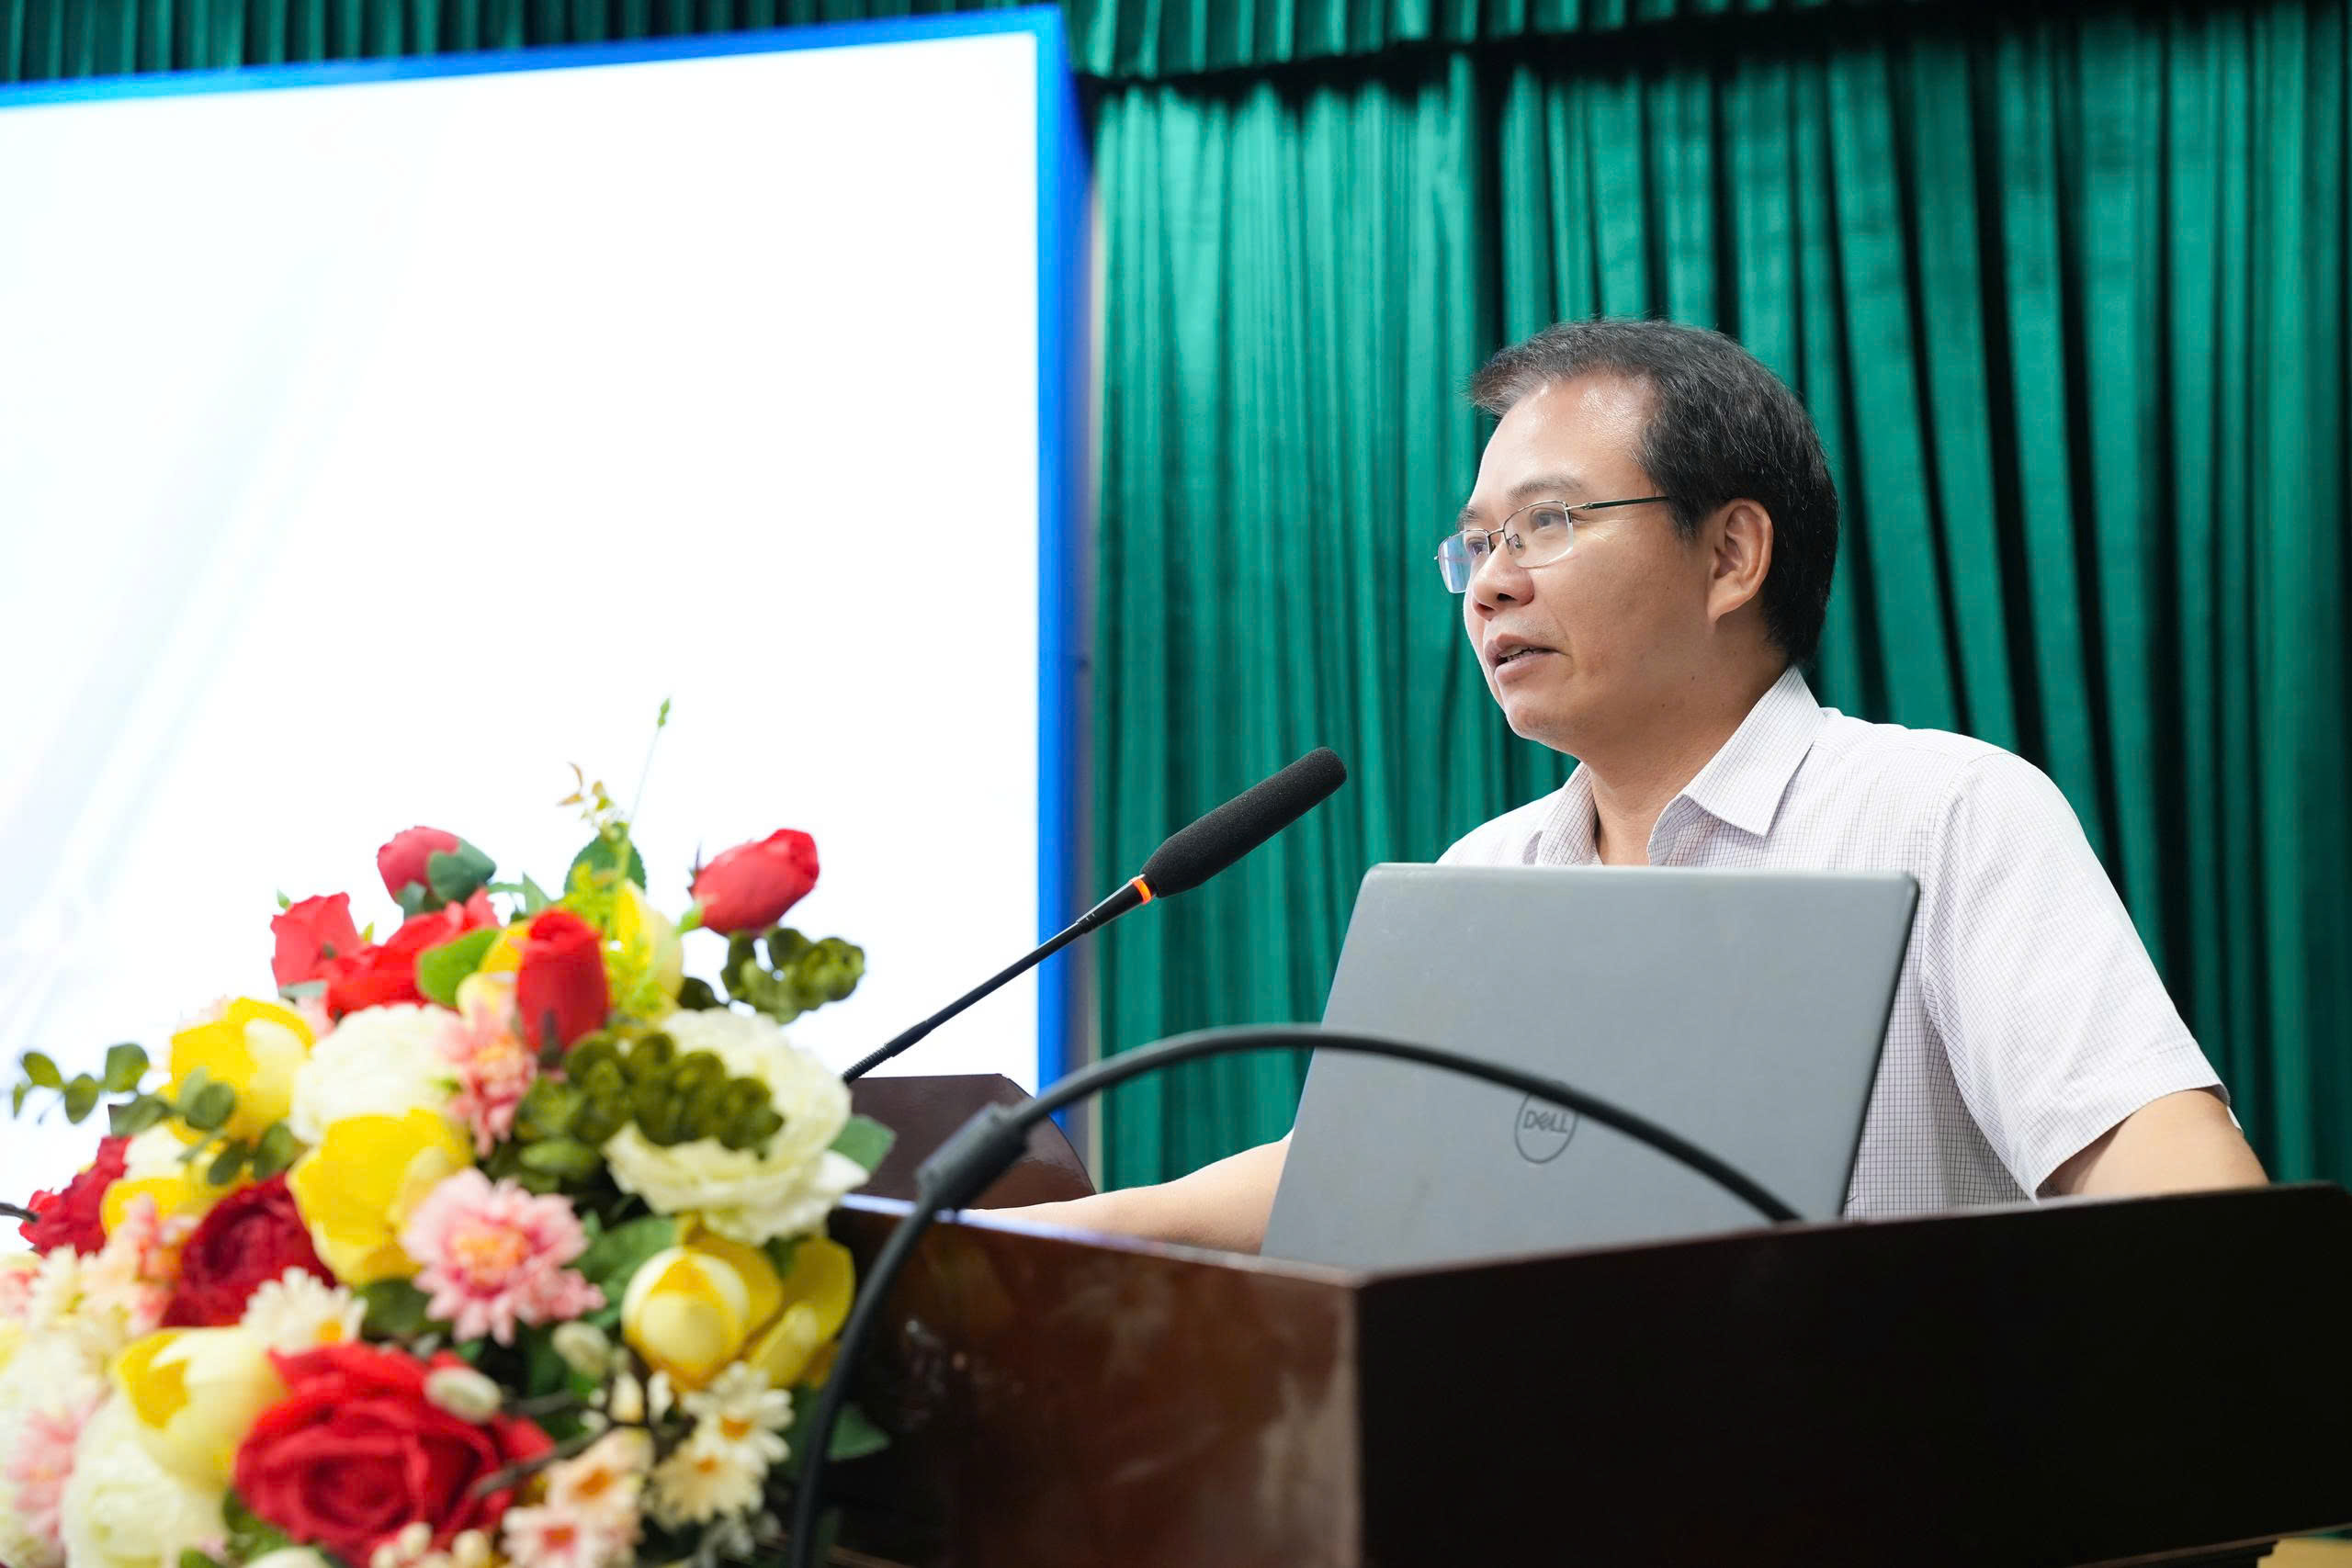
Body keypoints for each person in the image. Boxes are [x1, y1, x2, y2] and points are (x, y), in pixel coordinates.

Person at [1023, 318, 2265, 1254]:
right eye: (1478, 542)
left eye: (1548, 524)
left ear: (1730, 554)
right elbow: (1341, 1170)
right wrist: (1047, 1230)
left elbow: (2170, 1175)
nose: (1491, 583)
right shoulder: (1484, 877)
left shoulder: (1938, 813)